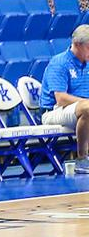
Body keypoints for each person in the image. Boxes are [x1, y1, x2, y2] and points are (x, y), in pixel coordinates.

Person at [41, 26, 89, 173]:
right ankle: (82, 159)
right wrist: (84, 102)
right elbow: (60, 99)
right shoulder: (60, 62)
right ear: (78, 44)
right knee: (87, 108)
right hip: (54, 111)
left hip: (80, 109)